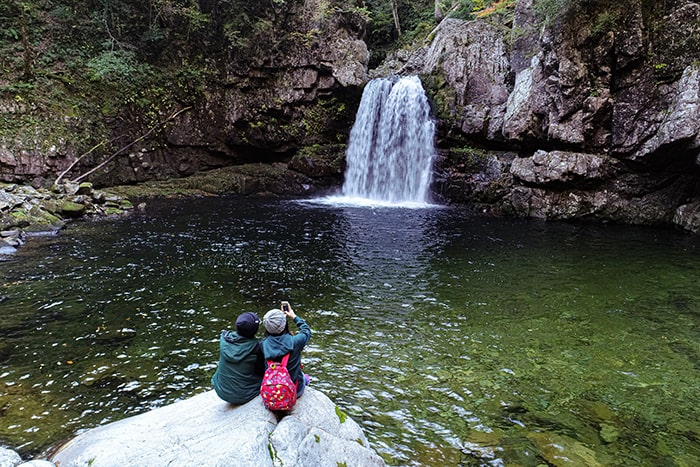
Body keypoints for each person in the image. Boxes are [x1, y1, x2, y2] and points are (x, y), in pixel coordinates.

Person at [211, 311, 265, 405]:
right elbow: (261, 371)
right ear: (255, 330)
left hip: (221, 391)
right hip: (244, 395)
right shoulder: (256, 348)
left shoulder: (224, 338)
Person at [261, 302, 311, 397]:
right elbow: (306, 330)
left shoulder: (262, 345)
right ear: (284, 324)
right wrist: (293, 316)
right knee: (303, 377)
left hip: (271, 390)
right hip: (295, 390)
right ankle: (305, 379)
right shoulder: (296, 341)